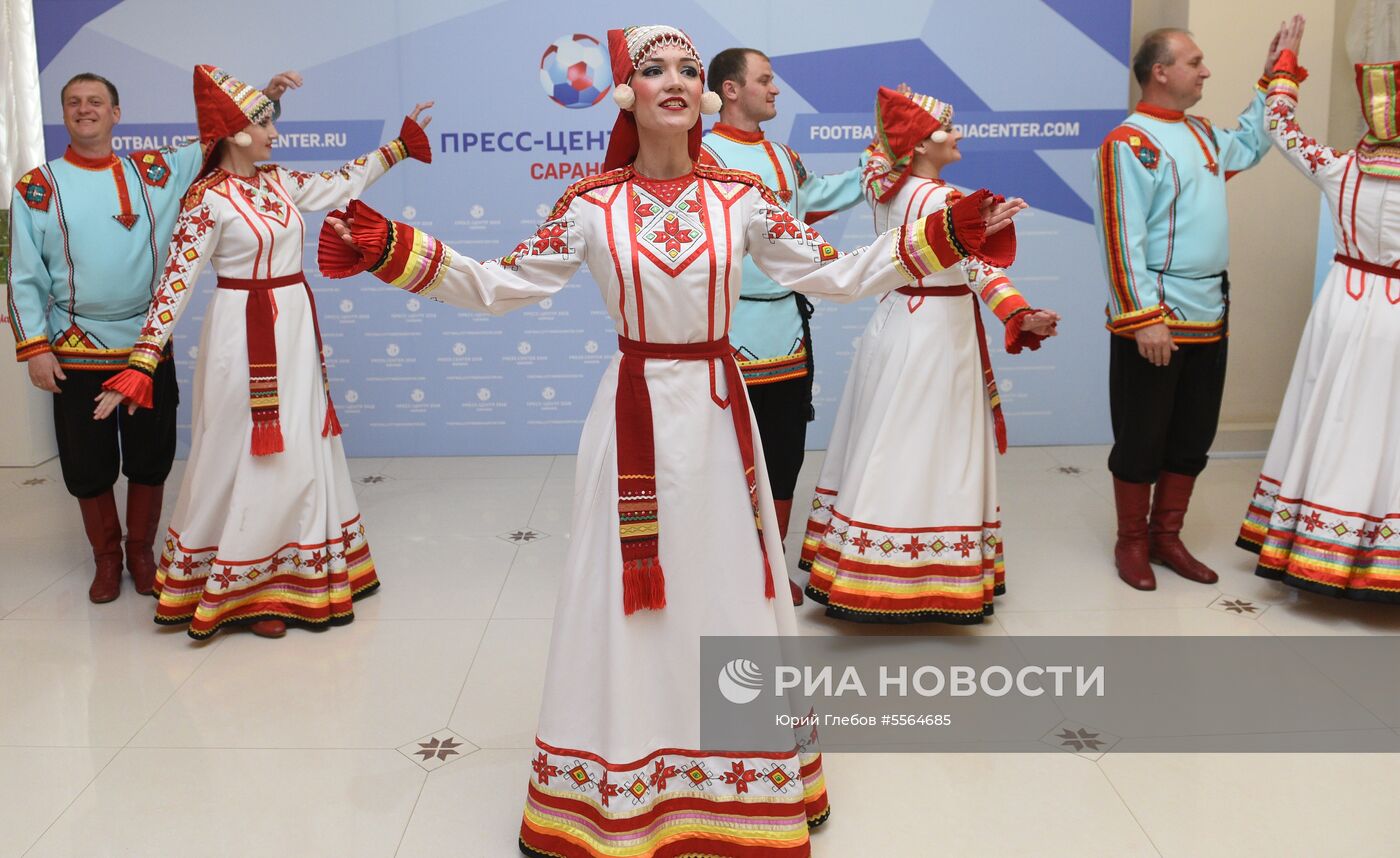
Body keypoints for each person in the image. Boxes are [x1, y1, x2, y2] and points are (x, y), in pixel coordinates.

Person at [319, 25, 1022, 857]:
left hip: (722, 419)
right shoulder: (590, 204)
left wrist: (949, 231)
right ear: (628, 94)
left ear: (708, 95)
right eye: (654, 70)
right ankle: (625, 771)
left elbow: (836, 275)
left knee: (726, 585)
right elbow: (505, 284)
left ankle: (737, 777)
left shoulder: (743, 200)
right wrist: (393, 248)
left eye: (691, 68)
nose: (677, 80)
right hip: (633, 415)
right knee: (626, 593)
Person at [95, 66, 432, 638]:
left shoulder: (277, 182)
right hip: (240, 336)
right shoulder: (206, 200)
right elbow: (176, 282)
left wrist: (398, 148)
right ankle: (245, 589)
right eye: (262, 121)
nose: (274, 131)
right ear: (232, 132)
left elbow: (339, 182)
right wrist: (141, 363)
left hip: (294, 329)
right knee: (242, 450)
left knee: (297, 446)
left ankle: (290, 579)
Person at [8, 68, 299, 603]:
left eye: (96, 101)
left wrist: (267, 97)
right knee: (86, 463)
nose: (84, 109)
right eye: (74, 102)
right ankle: (106, 559)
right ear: (64, 113)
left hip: (146, 343)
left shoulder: (157, 171)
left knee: (150, 455)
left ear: (116, 114)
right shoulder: (37, 186)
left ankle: (142, 553)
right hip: (74, 345)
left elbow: (224, 133)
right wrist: (35, 349)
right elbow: (23, 274)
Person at [798, 86, 1058, 624]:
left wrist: (1009, 298)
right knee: (932, 447)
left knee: (886, 441)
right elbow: (976, 268)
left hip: (897, 321)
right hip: (937, 332)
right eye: (946, 127)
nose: (957, 133)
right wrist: (1016, 311)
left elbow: (967, 259)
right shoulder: (941, 201)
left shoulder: (890, 189)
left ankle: (858, 566)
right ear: (919, 143)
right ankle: (912, 578)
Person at [1092, 25, 1286, 590]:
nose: (1205, 72)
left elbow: (1250, 142)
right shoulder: (1127, 144)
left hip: (1209, 309)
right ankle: (1131, 542)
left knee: (1192, 432)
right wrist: (1145, 319)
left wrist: (1274, 78)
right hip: (1156, 317)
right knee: (1141, 434)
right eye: (1195, 62)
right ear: (1161, 72)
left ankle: (1165, 537)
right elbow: (1119, 237)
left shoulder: (1201, 134)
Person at [1237, 19, 1400, 602]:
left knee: (1333, 412)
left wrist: (1283, 69)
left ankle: (1310, 541)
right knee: (1389, 429)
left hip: (1345, 301)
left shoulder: (1338, 167)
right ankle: (1379, 555)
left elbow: (1281, 127)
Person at [698, 48, 868, 604]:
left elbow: (812, 197)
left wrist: (876, 167)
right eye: (764, 80)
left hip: (788, 330)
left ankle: (768, 566)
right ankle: (718, 565)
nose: (775, 90)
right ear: (729, 89)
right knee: (717, 453)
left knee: (784, 450)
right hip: (722, 329)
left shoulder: (782, 157)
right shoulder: (696, 156)